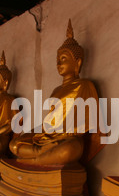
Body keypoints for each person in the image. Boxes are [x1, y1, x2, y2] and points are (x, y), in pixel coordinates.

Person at [9, 20, 100, 166]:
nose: (58, 63)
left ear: (77, 63)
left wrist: (63, 136)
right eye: (57, 59)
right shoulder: (56, 90)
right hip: (48, 138)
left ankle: (35, 160)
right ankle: (42, 157)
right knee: (15, 144)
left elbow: (89, 124)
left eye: (63, 59)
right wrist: (33, 133)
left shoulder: (84, 85)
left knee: (71, 149)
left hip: (67, 139)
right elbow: (49, 123)